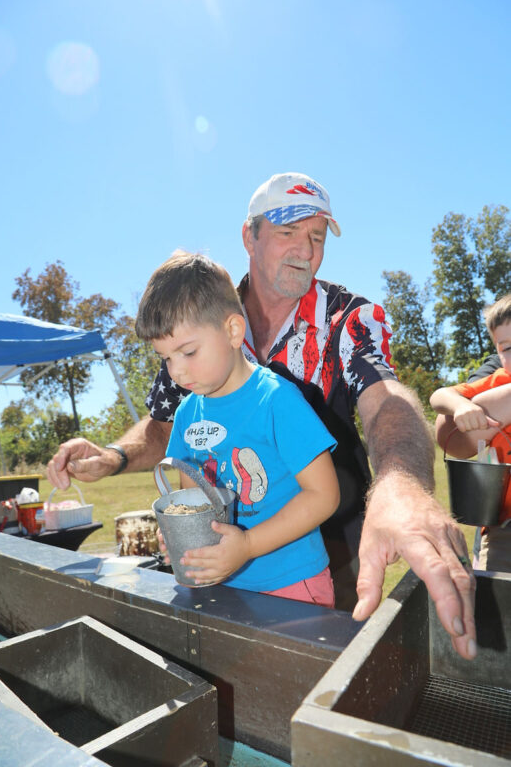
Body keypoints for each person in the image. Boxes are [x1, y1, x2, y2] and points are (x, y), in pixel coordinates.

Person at [47, 171, 476, 660]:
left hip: (327, 552)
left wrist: (400, 482)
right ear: (249, 237)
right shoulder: (195, 320)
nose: (306, 249)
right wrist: (114, 456)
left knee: (313, 666)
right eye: (288, 231)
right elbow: (165, 426)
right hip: (228, 571)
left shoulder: (347, 317)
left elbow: (386, 400)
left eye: (317, 236)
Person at [135, 250, 340, 604]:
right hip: (220, 585)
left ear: (232, 330)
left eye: (188, 352)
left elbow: (324, 495)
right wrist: (181, 534)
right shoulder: (186, 415)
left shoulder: (276, 401)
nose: (176, 371)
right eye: (166, 357)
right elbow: (194, 503)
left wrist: (247, 545)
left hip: (291, 586)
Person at [430, 294, 511, 571]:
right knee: (494, 593)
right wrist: (461, 406)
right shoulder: (497, 381)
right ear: (497, 352)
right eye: (507, 348)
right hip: (503, 528)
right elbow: (439, 396)